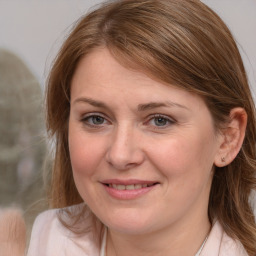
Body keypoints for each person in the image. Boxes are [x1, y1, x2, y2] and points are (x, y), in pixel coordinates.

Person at [26, 0, 256, 255]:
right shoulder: (37, 242)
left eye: (160, 120)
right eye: (96, 119)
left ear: (228, 138)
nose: (120, 155)